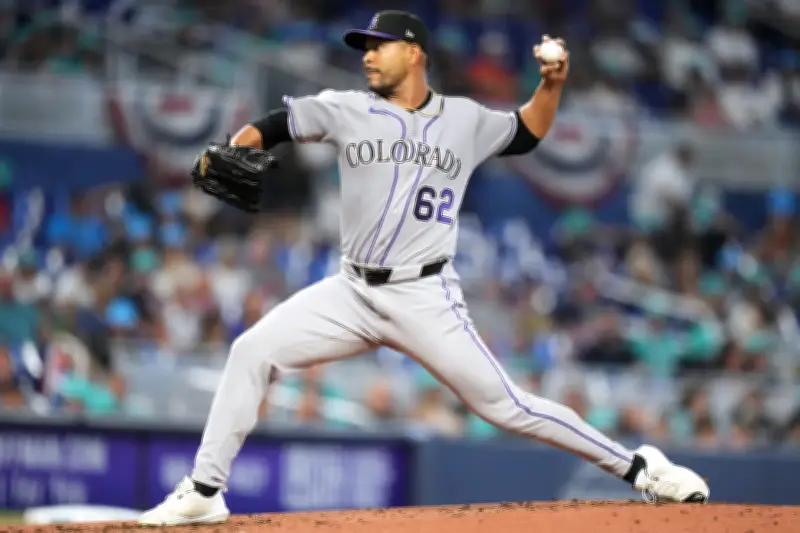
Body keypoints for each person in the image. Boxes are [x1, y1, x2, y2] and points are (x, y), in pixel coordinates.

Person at [139, 11, 709, 526]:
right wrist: (235, 143)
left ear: (413, 53)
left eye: (378, 45)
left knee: (506, 407)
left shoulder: (464, 119)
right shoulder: (347, 107)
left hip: (425, 295)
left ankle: (641, 470)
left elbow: (527, 130)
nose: (366, 54)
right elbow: (277, 123)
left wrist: (551, 85)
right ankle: (206, 490)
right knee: (250, 352)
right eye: (363, 46)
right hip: (352, 290)